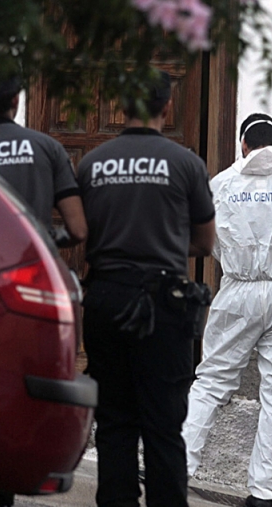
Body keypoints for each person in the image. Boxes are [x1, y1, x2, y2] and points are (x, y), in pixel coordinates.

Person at [78, 69, 216, 507]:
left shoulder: (92, 163)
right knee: (163, 424)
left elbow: (84, 234)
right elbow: (204, 242)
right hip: (163, 304)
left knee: (115, 421)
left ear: (120, 106)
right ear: (167, 106)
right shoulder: (186, 164)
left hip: (105, 298)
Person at [181, 113, 272, 507]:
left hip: (238, 290)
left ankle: (176, 468)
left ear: (242, 145)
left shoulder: (221, 183)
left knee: (211, 382)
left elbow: (207, 242)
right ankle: (263, 492)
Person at [0, 63, 87, 247]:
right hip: (33, 262)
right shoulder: (48, 148)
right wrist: (47, 240)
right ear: (15, 100)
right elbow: (78, 230)